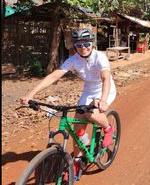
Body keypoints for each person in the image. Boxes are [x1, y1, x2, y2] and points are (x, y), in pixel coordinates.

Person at [20, 28, 117, 181]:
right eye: (79, 45)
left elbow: (106, 79)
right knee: (77, 126)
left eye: (86, 44)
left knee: (92, 114)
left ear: (92, 43)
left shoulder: (100, 57)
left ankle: (108, 128)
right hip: (88, 91)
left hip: (105, 90)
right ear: (75, 47)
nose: (83, 48)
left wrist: (103, 100)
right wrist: (31, 93)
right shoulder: (73, 59)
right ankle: (78, 161)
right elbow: (54, 76)